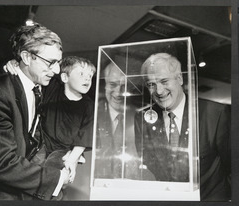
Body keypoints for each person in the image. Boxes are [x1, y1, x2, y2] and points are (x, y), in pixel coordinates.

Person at [0, 23, 71, 200]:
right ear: (26, 56)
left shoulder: (38, 86)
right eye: (51, 63)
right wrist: (56, 179)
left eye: (58, 63)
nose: (56, 71)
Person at [134, 53, 231, 201]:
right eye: (151, 84)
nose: (159, 91)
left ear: (179, 78)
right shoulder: (143, 119)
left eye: (164, 81)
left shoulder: (215, 113)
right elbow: (149, 163)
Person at [94, 62, 145, 180]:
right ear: (105, 85)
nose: (118, 92)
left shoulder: (141, 117)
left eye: (124, 86)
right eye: (112, 84)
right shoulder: (92, 114)